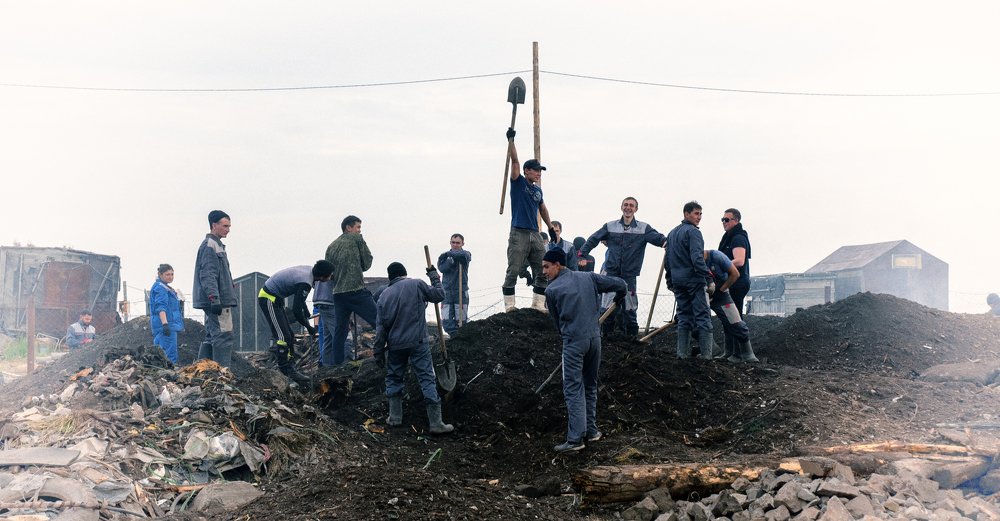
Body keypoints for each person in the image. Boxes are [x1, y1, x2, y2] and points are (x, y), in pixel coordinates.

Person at [542, 248, 627, 453]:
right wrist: (619, 298)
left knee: (573, 389)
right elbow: (621, 284)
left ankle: (575, 440)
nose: (544, 271)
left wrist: (568, 338)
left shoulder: (552, 291)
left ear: (557, 265)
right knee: (590, 385)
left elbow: (557, 322)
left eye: (546, 267)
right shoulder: (588, 277)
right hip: (595, 340)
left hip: (573, 342)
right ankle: (591, 431)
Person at [373, 261, 454, 434]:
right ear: (404, 273)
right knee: (426, 378)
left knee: (394, 377)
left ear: (390, 277)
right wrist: (434, 276)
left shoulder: (383, 295)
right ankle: (436, 423)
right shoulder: (416, 284)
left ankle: (395, 418)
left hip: (395, 345)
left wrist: (378, 352)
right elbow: (439, 295)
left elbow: (380, 329)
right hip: (418, 342)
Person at [578, 197, 667, 339]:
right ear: (621, 207)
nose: (628, 208)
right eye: (625, 205)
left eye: (631, 205)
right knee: (606, 308)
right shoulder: (610, 226)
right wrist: (582, 254)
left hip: (629, 276)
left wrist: (666, 243)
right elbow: (594, 239)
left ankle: (632, 339)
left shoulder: (643, 228)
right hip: (611, 274)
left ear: (636, 209)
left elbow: (658, 238)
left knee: (630, 308)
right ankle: (604, 338)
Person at [502, 127, 555, 313]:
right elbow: (515, 161)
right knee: (514, 269)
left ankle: (538, 304)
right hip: (519, 232)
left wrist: (550, 227)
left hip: (535, 233)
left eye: (541, 171)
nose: (539, 173)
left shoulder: (538, 190)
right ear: (527, 171)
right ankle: (510, 305)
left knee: (542, 268)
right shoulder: (518, 182)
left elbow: (542, 208)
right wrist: (511, 141)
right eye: (536, 170)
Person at [258, 261, 334, 385]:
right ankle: (284, 369)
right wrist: (309, 327)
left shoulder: (310, 272)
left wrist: (307, 311)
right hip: (268, 298)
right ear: (322, 276)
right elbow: (296, 310)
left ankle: (291, 367)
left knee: (290, 336)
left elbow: (300, 300)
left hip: (277, 299)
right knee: (283, 336)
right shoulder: (306, 282)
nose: (330, 278)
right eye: (329, 276)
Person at [324, 215, 377, 366]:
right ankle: (388, 354)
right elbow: (367, 263)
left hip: (338, 294)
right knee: (379, 321)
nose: (360, 231)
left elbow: (329, 273)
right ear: (348, 227)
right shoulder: (357, 239)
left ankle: (337, 365)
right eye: (358, 227)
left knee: (340, 332)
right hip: (356, 290)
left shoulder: (331, 246)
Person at [665, 201, 713, 360]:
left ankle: (682, 354)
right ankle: (706, 355)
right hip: (694, 280)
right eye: (696, 213)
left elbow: (668, 260)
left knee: (684, 316)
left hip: (678, 281)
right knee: (703, 316)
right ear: (686, 214)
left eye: (700, 214)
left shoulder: (672, 233)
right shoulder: (694, 233)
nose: (699, 217)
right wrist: (708, 278)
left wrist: (670, 280)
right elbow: (697, 259)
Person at [193, 210, 237, 368]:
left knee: (211, 336)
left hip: (217, 298)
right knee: (224, 335)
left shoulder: (216, 245)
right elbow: (208, 275)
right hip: (218, 300)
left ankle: (202, 370)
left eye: (229, 226)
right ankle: (222, 374)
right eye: (225, 226)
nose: (228, 229)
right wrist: (215, 298)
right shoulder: (211, 246)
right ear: (214, 225)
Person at [704, 250, 759, 363]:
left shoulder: (717, 257)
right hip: (702, 295)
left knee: (735, 322)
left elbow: (735, 274)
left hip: (721, 294)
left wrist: (721, 290)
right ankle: (715, 351)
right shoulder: (690, 261)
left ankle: (748, 355)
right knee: (695, 322)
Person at [718, 208, 752, 317]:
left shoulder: (738, 238)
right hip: (732, 283)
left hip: (737, 283)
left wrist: (720, 266)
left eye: (727, 220)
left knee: (734, 317)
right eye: (722, 219)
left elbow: (739, 261)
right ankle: (735, 333)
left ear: (736, 220)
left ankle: (738, 333)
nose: (724, 222)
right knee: (732, 316)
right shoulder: (729, 237)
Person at [150, 264, 184, 364]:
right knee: (170, 357)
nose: (170, 277)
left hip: (161, 326)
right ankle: (169, 377)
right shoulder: (161, 289)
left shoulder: (163, 287)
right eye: (167, 274)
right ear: (160, 275)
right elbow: (161, 308)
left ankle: (160, 376)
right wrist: (165, 325)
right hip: (166, 326)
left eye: (172, 274)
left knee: (159, 355)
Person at [437, 234, 471, 334]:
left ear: (462, 244)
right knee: (446, 320)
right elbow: (442, 268)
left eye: (458, 243)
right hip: (447, 291)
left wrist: (451, 255)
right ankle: (454, 337)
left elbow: (464, 257)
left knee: (461, 320)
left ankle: (461, 338)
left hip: (460, 291)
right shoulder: (445, 257)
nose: (455, 245)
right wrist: (450, 259)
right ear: (450, 242)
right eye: (453, 242)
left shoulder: (466, 254)